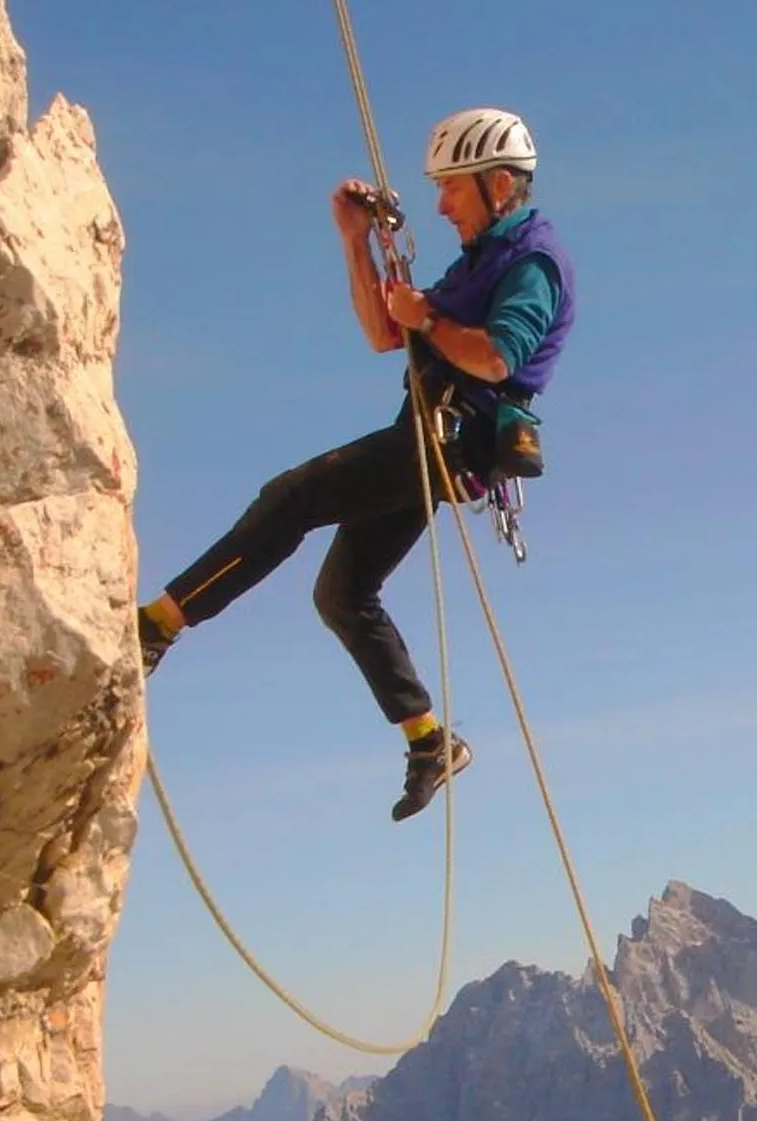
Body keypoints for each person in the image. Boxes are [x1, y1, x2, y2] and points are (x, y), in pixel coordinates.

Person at [135, 108, 575, 820]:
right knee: (342, 594)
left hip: (452, 442)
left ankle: (158, 624)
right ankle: (428, 740)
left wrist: (429, 319)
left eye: (451, 188)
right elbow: (382, 333)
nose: (441, 206)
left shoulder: (531, 260)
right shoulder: (478, 261)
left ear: (498, 184)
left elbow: (498, 357)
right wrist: (356, 241)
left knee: (291, 498)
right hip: (429, 438)